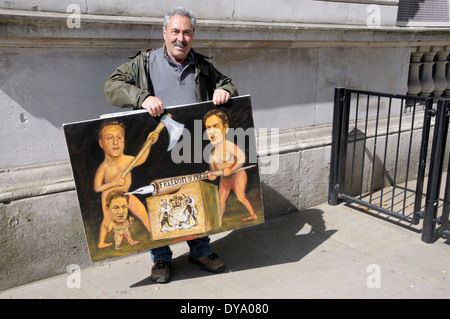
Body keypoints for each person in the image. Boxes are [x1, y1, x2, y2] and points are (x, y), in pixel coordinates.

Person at [104, 6, 239, 283]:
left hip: (191, 145)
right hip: (156, 150)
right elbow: (112, 85)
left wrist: (224, 90)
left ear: (193, 36)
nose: (181, 38)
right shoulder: (143, 63)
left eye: (187, 32)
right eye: (175, 31)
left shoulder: (202, 66)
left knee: (196, 193)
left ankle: (201, 250)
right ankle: (161, 259)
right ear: (164, 32)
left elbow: (227, 83)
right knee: (157, 200)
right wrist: (141, 97)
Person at [93, 120, 158, 248]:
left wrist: (149, 143)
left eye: (119, 138)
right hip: (109, 196)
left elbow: (142, 158)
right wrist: (114, 183)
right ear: (101, 143)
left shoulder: (127, 160)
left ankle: (154, 232)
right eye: (109, 138)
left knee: (142, 211)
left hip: (125, 194)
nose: (115, 142)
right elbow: (97, 187)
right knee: (107, 220)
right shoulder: (104, 167)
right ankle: (101, 242)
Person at [204, 109, 258, 223]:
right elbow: (214, 172)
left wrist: (232, 169)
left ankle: (253, 215)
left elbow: (242, 158)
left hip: (238, 175)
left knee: (240, 197)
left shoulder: (229, 146)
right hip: (225, 179)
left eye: (216, 126)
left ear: (225, 128)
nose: (212, 131)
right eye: (208, 127)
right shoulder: (212, 154)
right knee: (221, 200)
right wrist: (211, 174)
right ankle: (218, 221)